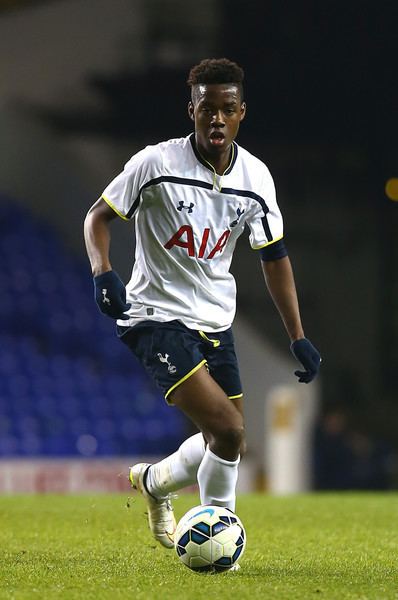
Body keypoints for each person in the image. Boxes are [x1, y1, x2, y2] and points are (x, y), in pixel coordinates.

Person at [84, 58, 321, 551]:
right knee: (228, 427)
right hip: (154, 315)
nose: (216, 118)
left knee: (229, 441)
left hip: (216, 320)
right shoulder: (156, 164)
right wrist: (103, 273)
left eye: (227, 109)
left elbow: (274, 257)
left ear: (241, 113)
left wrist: (297, 336)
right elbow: (96, 218)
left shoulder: (256, 178)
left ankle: (153, 483)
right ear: (191, 110)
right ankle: (222, 546)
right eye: (206, 108)